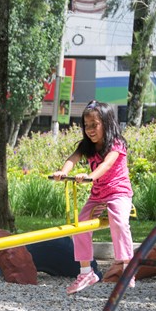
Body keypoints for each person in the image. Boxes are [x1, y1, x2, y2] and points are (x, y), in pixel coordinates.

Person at [52, 100, 134, 295]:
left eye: (94, 124)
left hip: (118, 192)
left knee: (120, 221)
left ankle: (127, 266)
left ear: (106, 123)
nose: (90, 130)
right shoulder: (86, 145)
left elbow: (106, 165)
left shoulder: (117, 143)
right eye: (86, 126)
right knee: (80, 224)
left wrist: (89, 177)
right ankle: (86, 272)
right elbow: (72, 159)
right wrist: (63, 172)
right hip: (98, 195)